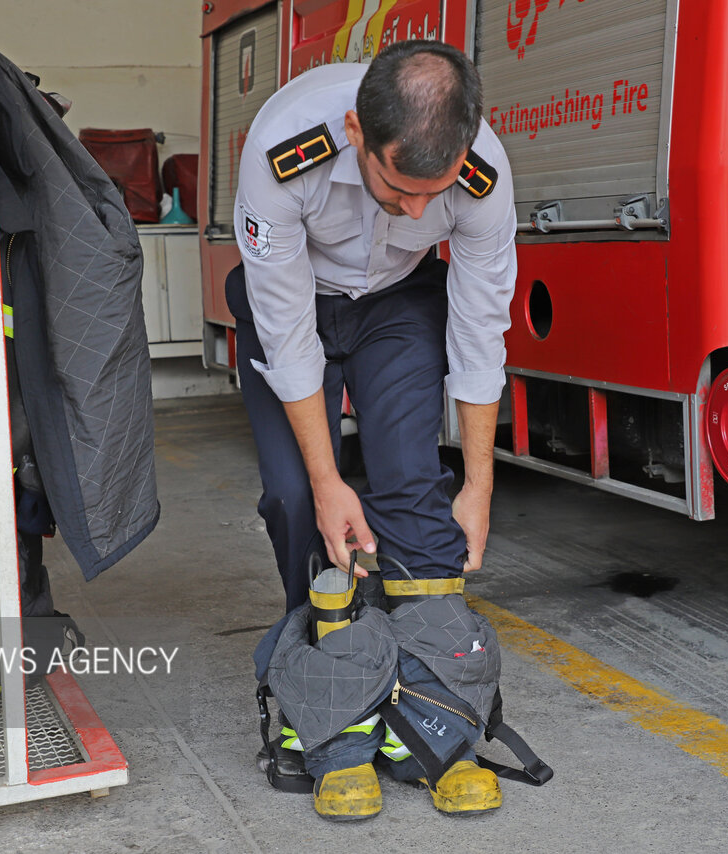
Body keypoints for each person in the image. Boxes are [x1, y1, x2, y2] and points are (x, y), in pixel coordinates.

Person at [229, 39, 517, 820]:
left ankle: (433, 716)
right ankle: (327, 707)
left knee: (414, 487)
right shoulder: (284, 148)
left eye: (438, 191)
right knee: (296, 498)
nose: (422, 210)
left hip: (398, 301)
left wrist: (483, 485)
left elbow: (480, 330)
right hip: (297, 298)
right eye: (399, 187)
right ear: (357, 131)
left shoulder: (481, 169)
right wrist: (328, 484)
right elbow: (289, 337)